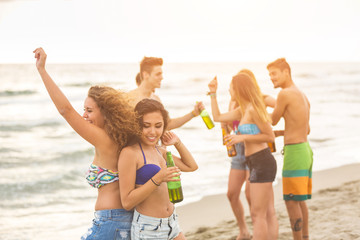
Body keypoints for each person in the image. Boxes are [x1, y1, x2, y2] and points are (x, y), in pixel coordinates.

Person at [33, 47, 140, 240]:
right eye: (84, 109)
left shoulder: (104, 139)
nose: (84, 115)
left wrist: (42, 70)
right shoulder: (123, 139)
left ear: (105, 112)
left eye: (89, 110)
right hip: (123, 222)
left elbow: (66, 110)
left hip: (110, 222)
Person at [208, 74, 278, 240]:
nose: (229, 90)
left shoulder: (254, 109)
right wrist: (213, 93)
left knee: (258, 214)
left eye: (231, 87)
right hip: (252, 162)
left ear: (238, 89)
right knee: (262, 213)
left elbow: (270, 137)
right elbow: (218, 117)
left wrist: (242, 138)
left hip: (263, 161)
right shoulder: (241, 110)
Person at [118, 99, 198, 240]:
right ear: (137, 125)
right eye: (146, 126)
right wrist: (158, 178)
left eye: (158, 126)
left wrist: (177, 143)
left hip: (172, 223)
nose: (153, 132)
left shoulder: (159, 150)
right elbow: (127, 202)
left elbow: (191, 166)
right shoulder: (130, 153)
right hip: (148, 229)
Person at [267, 58, 313, 240]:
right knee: (299, 200)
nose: (271, 78)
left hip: (295, 153)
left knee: (291, 200)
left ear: (286, 72)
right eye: (269, 74)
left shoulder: (284, 94)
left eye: (274, 73)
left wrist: (257, 103)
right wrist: (280, 133)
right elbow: (305, 128)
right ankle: (305, 237)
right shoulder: (302, 94)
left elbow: (272, 119)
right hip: (305, 150)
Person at [127, 56, 204, 130]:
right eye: (158, 74)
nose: (162, 77)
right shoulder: (129, 99)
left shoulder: (156, 99)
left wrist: (193, 113)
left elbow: (168, 125)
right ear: (145, 75)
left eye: (161, 73)